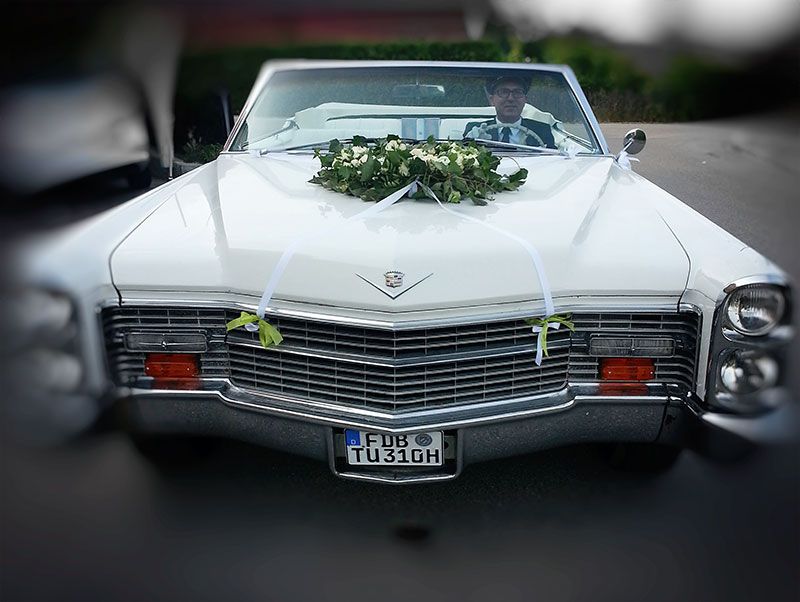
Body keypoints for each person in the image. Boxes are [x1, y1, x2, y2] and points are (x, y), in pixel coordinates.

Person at [463, 76, 556, 148]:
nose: (511, 98)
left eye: (517, 92)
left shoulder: (542, 131)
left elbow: (554, 164)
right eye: (503, 92)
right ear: (492, 100)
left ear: (525, 99)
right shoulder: (475, 130)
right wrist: (473, 141)